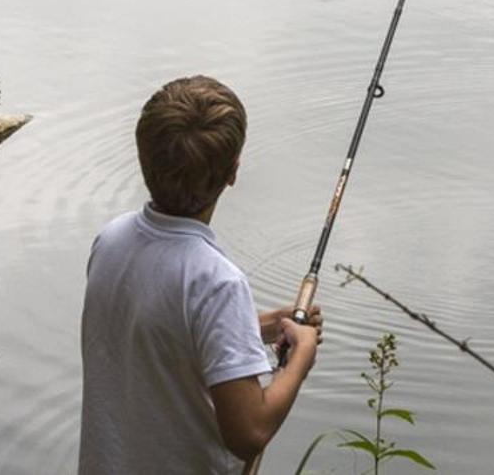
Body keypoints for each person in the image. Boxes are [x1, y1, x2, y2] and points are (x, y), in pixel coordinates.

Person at [80, 75, 322, 474]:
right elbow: (249, 433)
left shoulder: (111, 241)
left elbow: (160, 328)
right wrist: (301, 358)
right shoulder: (217, 282)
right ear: (233, 171)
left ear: (144, 161)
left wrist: (258, 327)